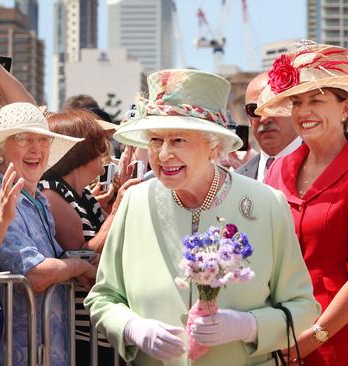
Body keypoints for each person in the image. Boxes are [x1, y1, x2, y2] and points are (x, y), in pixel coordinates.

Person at [85, 69, 321, 366]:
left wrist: (248, 326)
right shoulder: (135, 202)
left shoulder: (267, 204)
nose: (163, 154)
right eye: (156, 140)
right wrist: (134, 329)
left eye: (179, 140)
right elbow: (103, 298)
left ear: (213, 145)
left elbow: (302, 309)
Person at [257, 43, 348, 365]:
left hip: (346, 338)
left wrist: (315, 334)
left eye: (316, 101)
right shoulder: (279, 168)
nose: (304, 111)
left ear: (345, 108)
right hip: (281, 332)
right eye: (297, 102)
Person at [0, 102, 97, 366]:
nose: (36, 149)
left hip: (48, 348)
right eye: (23, 139)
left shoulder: (36, 198)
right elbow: (34, 272)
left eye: (43, 140)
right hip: (16, 351)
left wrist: (79, 266)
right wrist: (79, 266)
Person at [39, 109, 140, 365]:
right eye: (99, 142)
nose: (107, 149)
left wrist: (117, 197)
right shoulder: (52, 191)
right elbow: (84, 255)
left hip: (100, 326)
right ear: (81, 149)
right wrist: (119, 208)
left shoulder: (80, 193)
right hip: (83, 331)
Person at [236, 72, 302, 181]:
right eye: (254, 110)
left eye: (273, 106)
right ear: (248, 116)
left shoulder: (325, 167)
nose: (264, 119)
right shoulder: (238, 179)